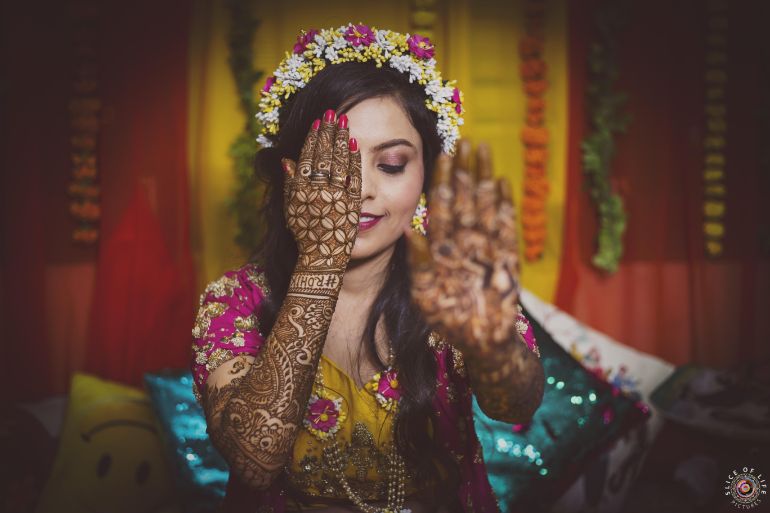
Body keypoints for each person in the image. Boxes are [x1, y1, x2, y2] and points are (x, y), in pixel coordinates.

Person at [190, 24, 545, 513]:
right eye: (333, 167)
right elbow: (254, 461)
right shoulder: (237, 299)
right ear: (288, 173)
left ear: (426, 176)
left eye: (392, 164)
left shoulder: (449, 290)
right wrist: (319, 264)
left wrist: (494, 348)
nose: (361, 191)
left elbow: (516, 405)